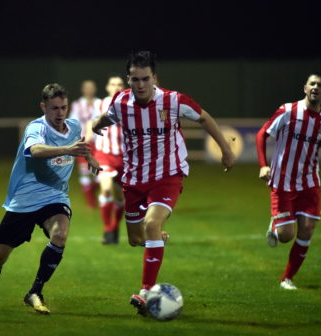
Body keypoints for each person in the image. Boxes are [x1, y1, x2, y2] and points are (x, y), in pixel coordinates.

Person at [93, 51, 235, 315]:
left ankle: (146, 291)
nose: (140, 85)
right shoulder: (121, 102)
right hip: (134, 178)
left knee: (151, 223)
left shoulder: (172, 100)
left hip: (167, 174)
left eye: (145, 79)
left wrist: (225, 149)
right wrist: (95, 125)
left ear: (154, 78)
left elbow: (204, 117)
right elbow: (107, 118)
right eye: (135, 79)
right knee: (136, 239)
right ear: (128, 80)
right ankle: (156, 237)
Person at [0, 83, 101, 314]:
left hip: (55, 197)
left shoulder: (72, 126)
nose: (60, 113)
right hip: (24, 200)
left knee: (60, 235)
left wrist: (89, 158)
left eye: (63, 107)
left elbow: (79, 145)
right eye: (54, 108)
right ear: (43, 107)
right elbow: (36, 150)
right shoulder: (36, 128)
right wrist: (67, 150)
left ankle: (35, 291)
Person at [256, 73, 321, 290]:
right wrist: (263, 165)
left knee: (307, 229)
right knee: (285, 237)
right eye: (312, 84)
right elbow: (262, 134)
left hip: (310, 182)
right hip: (282, 181)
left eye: (320, 85)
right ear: (305, 88)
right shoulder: (288, 111)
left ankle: (287, 278)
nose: (315, 87)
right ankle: (276, 225)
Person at [89, 75, 126, 244]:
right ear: (107, 87)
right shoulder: (99, 104)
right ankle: (108, 229)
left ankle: (115, 225)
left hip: (125, 158)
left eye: (119, 84)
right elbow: (92, 124)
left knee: (121, 198)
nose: (116, 87)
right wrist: (85, 145)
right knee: (106, 190)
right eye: (113, 84)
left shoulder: (131, 105)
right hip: (104, 154)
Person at [69, 80, 102, 208]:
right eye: (86, 87)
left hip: (99, 142)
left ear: (95, 89)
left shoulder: (100, 103)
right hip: (83, 142)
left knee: (98, 173)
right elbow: (73, 123)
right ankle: (91, 203)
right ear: (83, 89)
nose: (89, 89)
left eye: (91, 87)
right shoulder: (77, 105)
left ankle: (94, 193)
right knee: (85, 173)